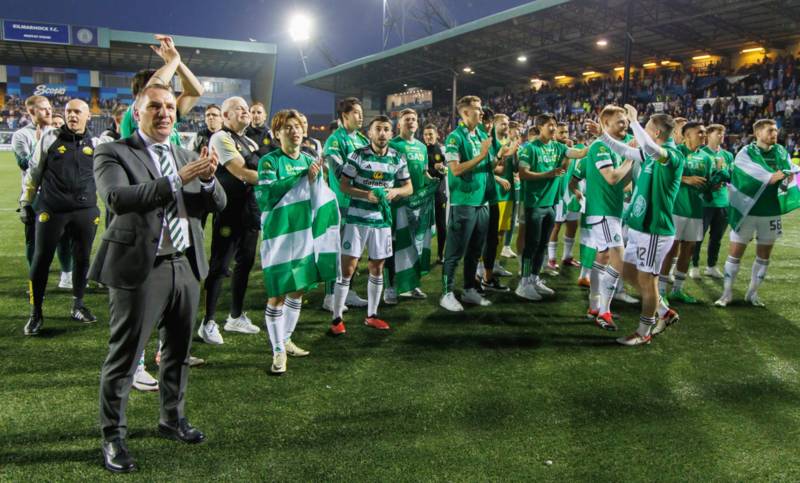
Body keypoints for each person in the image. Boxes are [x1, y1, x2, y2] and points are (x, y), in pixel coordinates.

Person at [94, 84, 226, 473]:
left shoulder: (184, 154)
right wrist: (178, 178)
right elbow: (118, 199)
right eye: (155, 106)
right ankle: (113, 437)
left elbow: (214, 204)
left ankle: (172, 419)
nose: (165, 112)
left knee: (178, 352)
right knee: (125, 357)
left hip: (184, 264)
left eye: (170, 106)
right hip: (140, 268)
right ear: (138, 113)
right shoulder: (113, 151)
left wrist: (206, 180)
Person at [588, 105, 682, 346]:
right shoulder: (648, 154)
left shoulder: (671, 155)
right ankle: (663, 311)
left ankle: (644, 331)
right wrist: (601, 136)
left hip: (654, 230)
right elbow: (625, 151)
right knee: (628, 271)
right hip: (639, 227)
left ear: (657, 134)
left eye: (646, 128)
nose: (635, 131)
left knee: (647, 281)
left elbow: (649, 147)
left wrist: (634, 120)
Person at [19, 99, 100, 335]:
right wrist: (25, 201)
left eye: (77, 112)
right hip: (52, 210)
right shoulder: (50, 137)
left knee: (83, 258)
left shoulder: (97, 143)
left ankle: (78, 305)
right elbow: (34, 171)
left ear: (88, 116)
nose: (72, 116)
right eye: (68, 112)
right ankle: (36, 313)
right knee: (41, 259)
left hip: (86, 211)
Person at [256, 109, 327, 373]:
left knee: (297, 290)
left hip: (303, 233)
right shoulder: (269, 162)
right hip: (278, 236)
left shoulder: (310, 159)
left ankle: (285, 340)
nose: (294, 131)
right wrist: (300, 177)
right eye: (287, 127)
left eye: (297, 126)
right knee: (276, 295)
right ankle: (277, 353)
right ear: (276, 134)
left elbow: (318, 196)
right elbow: (265, 196)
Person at [329, 115, 412, 334]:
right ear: (370, 133)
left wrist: (395, 191)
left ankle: (372, 315)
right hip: (357, 219)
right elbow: (344, 185)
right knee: (348, 268)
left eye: (386, 129)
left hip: (382, 221)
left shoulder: (398, 158)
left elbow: (408, 187)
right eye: (378, 129)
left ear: (391, 133)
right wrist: (367, 195)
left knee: (377, 268)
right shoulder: (358, 156)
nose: (382, 133)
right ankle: (337, 319)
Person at [197, 97, 263, 345]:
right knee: (220, 267)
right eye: (239, 109)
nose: (245, 111)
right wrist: (275, 176)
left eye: (247, 108)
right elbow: (242, 172)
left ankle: (235, 316)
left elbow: (254, 169)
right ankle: (208, 322)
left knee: (245, 264)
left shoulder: (249, 141)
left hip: (249, 211)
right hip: (229, 212)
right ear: (225, 116)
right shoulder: (221, 138)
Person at [715, 119, 795, 308]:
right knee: (735, 253)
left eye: (776, 130)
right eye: (770, 130)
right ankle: (726, 294)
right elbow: (746, 177)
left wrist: (781, 176)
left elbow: (786, 174)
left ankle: (752, 294)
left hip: (770, 211)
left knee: (764, 256)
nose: (774, 133)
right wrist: (771, 176)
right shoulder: (746, 153)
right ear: (758, 133)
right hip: (747, 210)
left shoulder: (782, 152)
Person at [515, 114, 586, 302]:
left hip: (551, 204)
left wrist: (601, 136)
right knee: (531, 245)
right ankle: (523, 284)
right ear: (539, 127)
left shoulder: (559, 147)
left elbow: (579, 153)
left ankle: (534, 278)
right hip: (535, 203)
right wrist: (549, 174)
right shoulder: (530, 149)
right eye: (549, 125)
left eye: (554, 125)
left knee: (543, 245)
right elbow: (523, 174)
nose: (553, 128)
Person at [579, 106, 635, 329]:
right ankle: (604, 312)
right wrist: (630, 159)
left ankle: (595, 306)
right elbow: (612, 178)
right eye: (620, 122)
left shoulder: (616, 147)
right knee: (618, 262)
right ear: (606, 124)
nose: (626, 125)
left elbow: (624, 182)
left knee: (602, 258)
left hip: (611, 211)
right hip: (602, 212)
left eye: (626, 122)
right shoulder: (600, 146)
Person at [12, 95, 73, 288]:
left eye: (49, 107)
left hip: (60, 195)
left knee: (64, 237)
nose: (49, 111)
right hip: (36, 196)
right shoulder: (21, 136)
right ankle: (37, 279)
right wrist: (39, 144)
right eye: (43, 109)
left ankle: (67, 276)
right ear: (31, 112)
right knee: (35, 241)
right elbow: (24, 164)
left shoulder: (59, 132)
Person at [439, 96, 493, 312]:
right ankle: (446, 293)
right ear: (465, 113)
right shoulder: (454, 138)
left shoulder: (481, 134)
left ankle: (469, 289)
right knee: (455, 251)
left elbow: (489, 164)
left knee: (475, 250)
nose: (481, 113)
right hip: (463, 202)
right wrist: (482, 155)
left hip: (482, 202)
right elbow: (455, 169)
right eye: (477, 109)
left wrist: (500, 156)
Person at [321, 97, 370, 312]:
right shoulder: (335, 140)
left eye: (361, 112)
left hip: (360, 201)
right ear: (345, 116)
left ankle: (347, 291)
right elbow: (339, 171)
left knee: (354, 251)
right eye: (357, 113)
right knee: (337, 250)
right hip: (341, 203)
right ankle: (330, 295)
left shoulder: (361, 139)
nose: (361, 117)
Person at [659, 122, 715, 304]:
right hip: (675, 208)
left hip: (696, 210)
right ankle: (660, 292)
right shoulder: (676, 152)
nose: (703, 135)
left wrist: (713, 185)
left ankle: (678, 290)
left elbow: (707, 183)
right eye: (700, 132)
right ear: (687, 135)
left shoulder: (706, 157)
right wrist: (686, 179)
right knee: (671, 249)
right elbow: (664, 175)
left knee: (688, 249)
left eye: (704, 132)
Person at [384, 108, 435, 303]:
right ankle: (390, 287)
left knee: (416, 246)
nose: (411, 122)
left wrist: (433, 181)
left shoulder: (422, 147)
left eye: (414, 119)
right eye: (407, 120)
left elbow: (423, 173)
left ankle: (413, 284)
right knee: (395, 245)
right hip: (398, 204)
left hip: (418, 205)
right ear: (399, 123)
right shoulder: (392, 144)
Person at [119, 35, 204, 144]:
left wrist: (176, 62)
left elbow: (196, 92)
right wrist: (173, 60)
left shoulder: (168, 114)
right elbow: (153, 86)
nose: (164, 92)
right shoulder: (135, 113)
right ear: (139, 94)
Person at [478, 113, 516, 292]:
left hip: (508, 194)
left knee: (500, 232)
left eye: (507, 123)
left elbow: (512, 167)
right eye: (502, 123)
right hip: (494, 194)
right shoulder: (490, 142)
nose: (506, 126)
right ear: (494, 124)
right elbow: (486, 168)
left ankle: (495, 264)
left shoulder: (509, 142)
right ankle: (480, 266)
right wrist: (499, 178)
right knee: (488, 234)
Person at [691, 124, 733, 279]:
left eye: (723, 134)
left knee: (717, 238)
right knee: (697, 237)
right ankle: (694, 266)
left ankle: (711, 266)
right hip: (704, 202)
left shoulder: (728, 155)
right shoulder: (701, 153)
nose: (721, 136)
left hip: (723, 201)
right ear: (708, 135)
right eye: (718, 133)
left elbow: (731, 175)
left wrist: (725, 176)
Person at [547, 122, 581, 272]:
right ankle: (551, 258)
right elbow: (561, 168)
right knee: (556, 226)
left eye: (566, 132)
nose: (564, 135)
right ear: (555, 134)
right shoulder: (552, 148)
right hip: (558, 193)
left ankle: (567, 256)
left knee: (573, 225)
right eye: (561, 132)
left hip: (572, 192)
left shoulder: (572, 149)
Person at [423, 123, 447, 263]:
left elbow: (449, 170)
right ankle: (420, 254)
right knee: (422, 225)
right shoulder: (421, 149)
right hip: (425, 193)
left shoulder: (443, 149)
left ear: (437, 134)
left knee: (441, 224)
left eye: (430, 134)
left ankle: (440, 254)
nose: (428, 137)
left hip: (439, 192)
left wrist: (443, 169)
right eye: (426, 134)